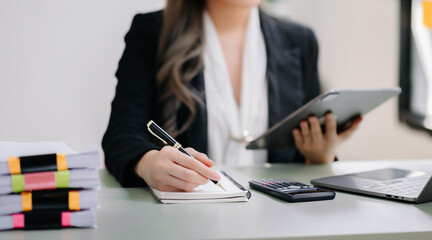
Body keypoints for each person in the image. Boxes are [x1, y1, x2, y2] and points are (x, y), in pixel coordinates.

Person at [102, 0, 362, 192]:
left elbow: (303, 157)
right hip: (188, 219)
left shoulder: (300, 41)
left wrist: (319, 156)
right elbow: (120, 135)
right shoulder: (151, 31)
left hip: (279, 221)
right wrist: (147, 162)